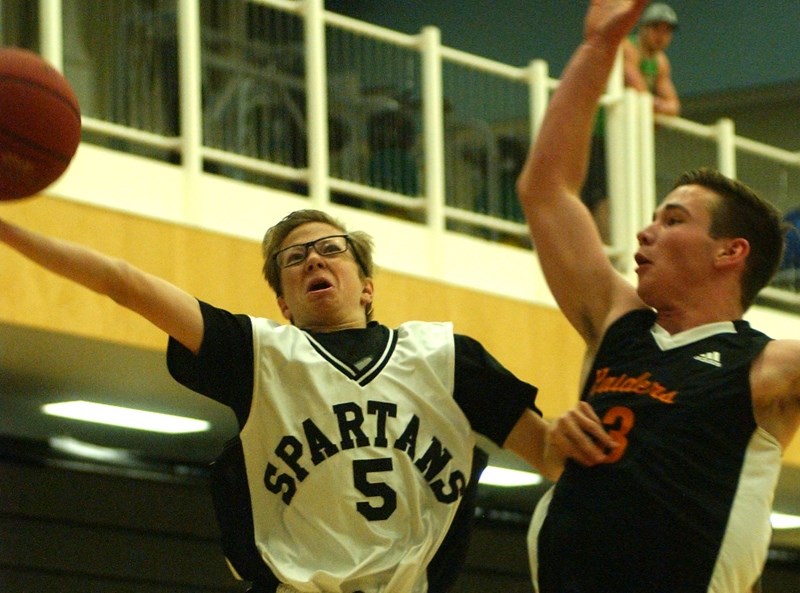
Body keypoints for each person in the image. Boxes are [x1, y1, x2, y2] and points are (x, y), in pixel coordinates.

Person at [0, 208, 608, 593]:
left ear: (367, 287)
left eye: (331, 248)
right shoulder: (258, 353)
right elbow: (122, 284)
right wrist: (9, 231)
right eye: (294, 259)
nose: (314, 257)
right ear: (285, 304)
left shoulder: (446, 357)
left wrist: (582, 433)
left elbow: (552, 459)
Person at [516, 1, 800, 592]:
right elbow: (546, 189)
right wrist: (598, 48)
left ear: (730, 251)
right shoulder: (616, 324)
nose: (645, 232)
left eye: (673, 220)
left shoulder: (771, 367)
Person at [581, 1, 680, 242]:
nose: (661, 36)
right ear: (644, 28)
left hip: (626, 138)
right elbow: (639, 91)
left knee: (621, 191)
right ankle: (603, 245)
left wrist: (654, 107)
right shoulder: (628, 49)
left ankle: (616, 244)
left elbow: (673, 106)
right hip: (600, 132)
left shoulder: (660, 62)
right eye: (657, 28)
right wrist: (655, 107)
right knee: (596, 194)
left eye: (667, 31)